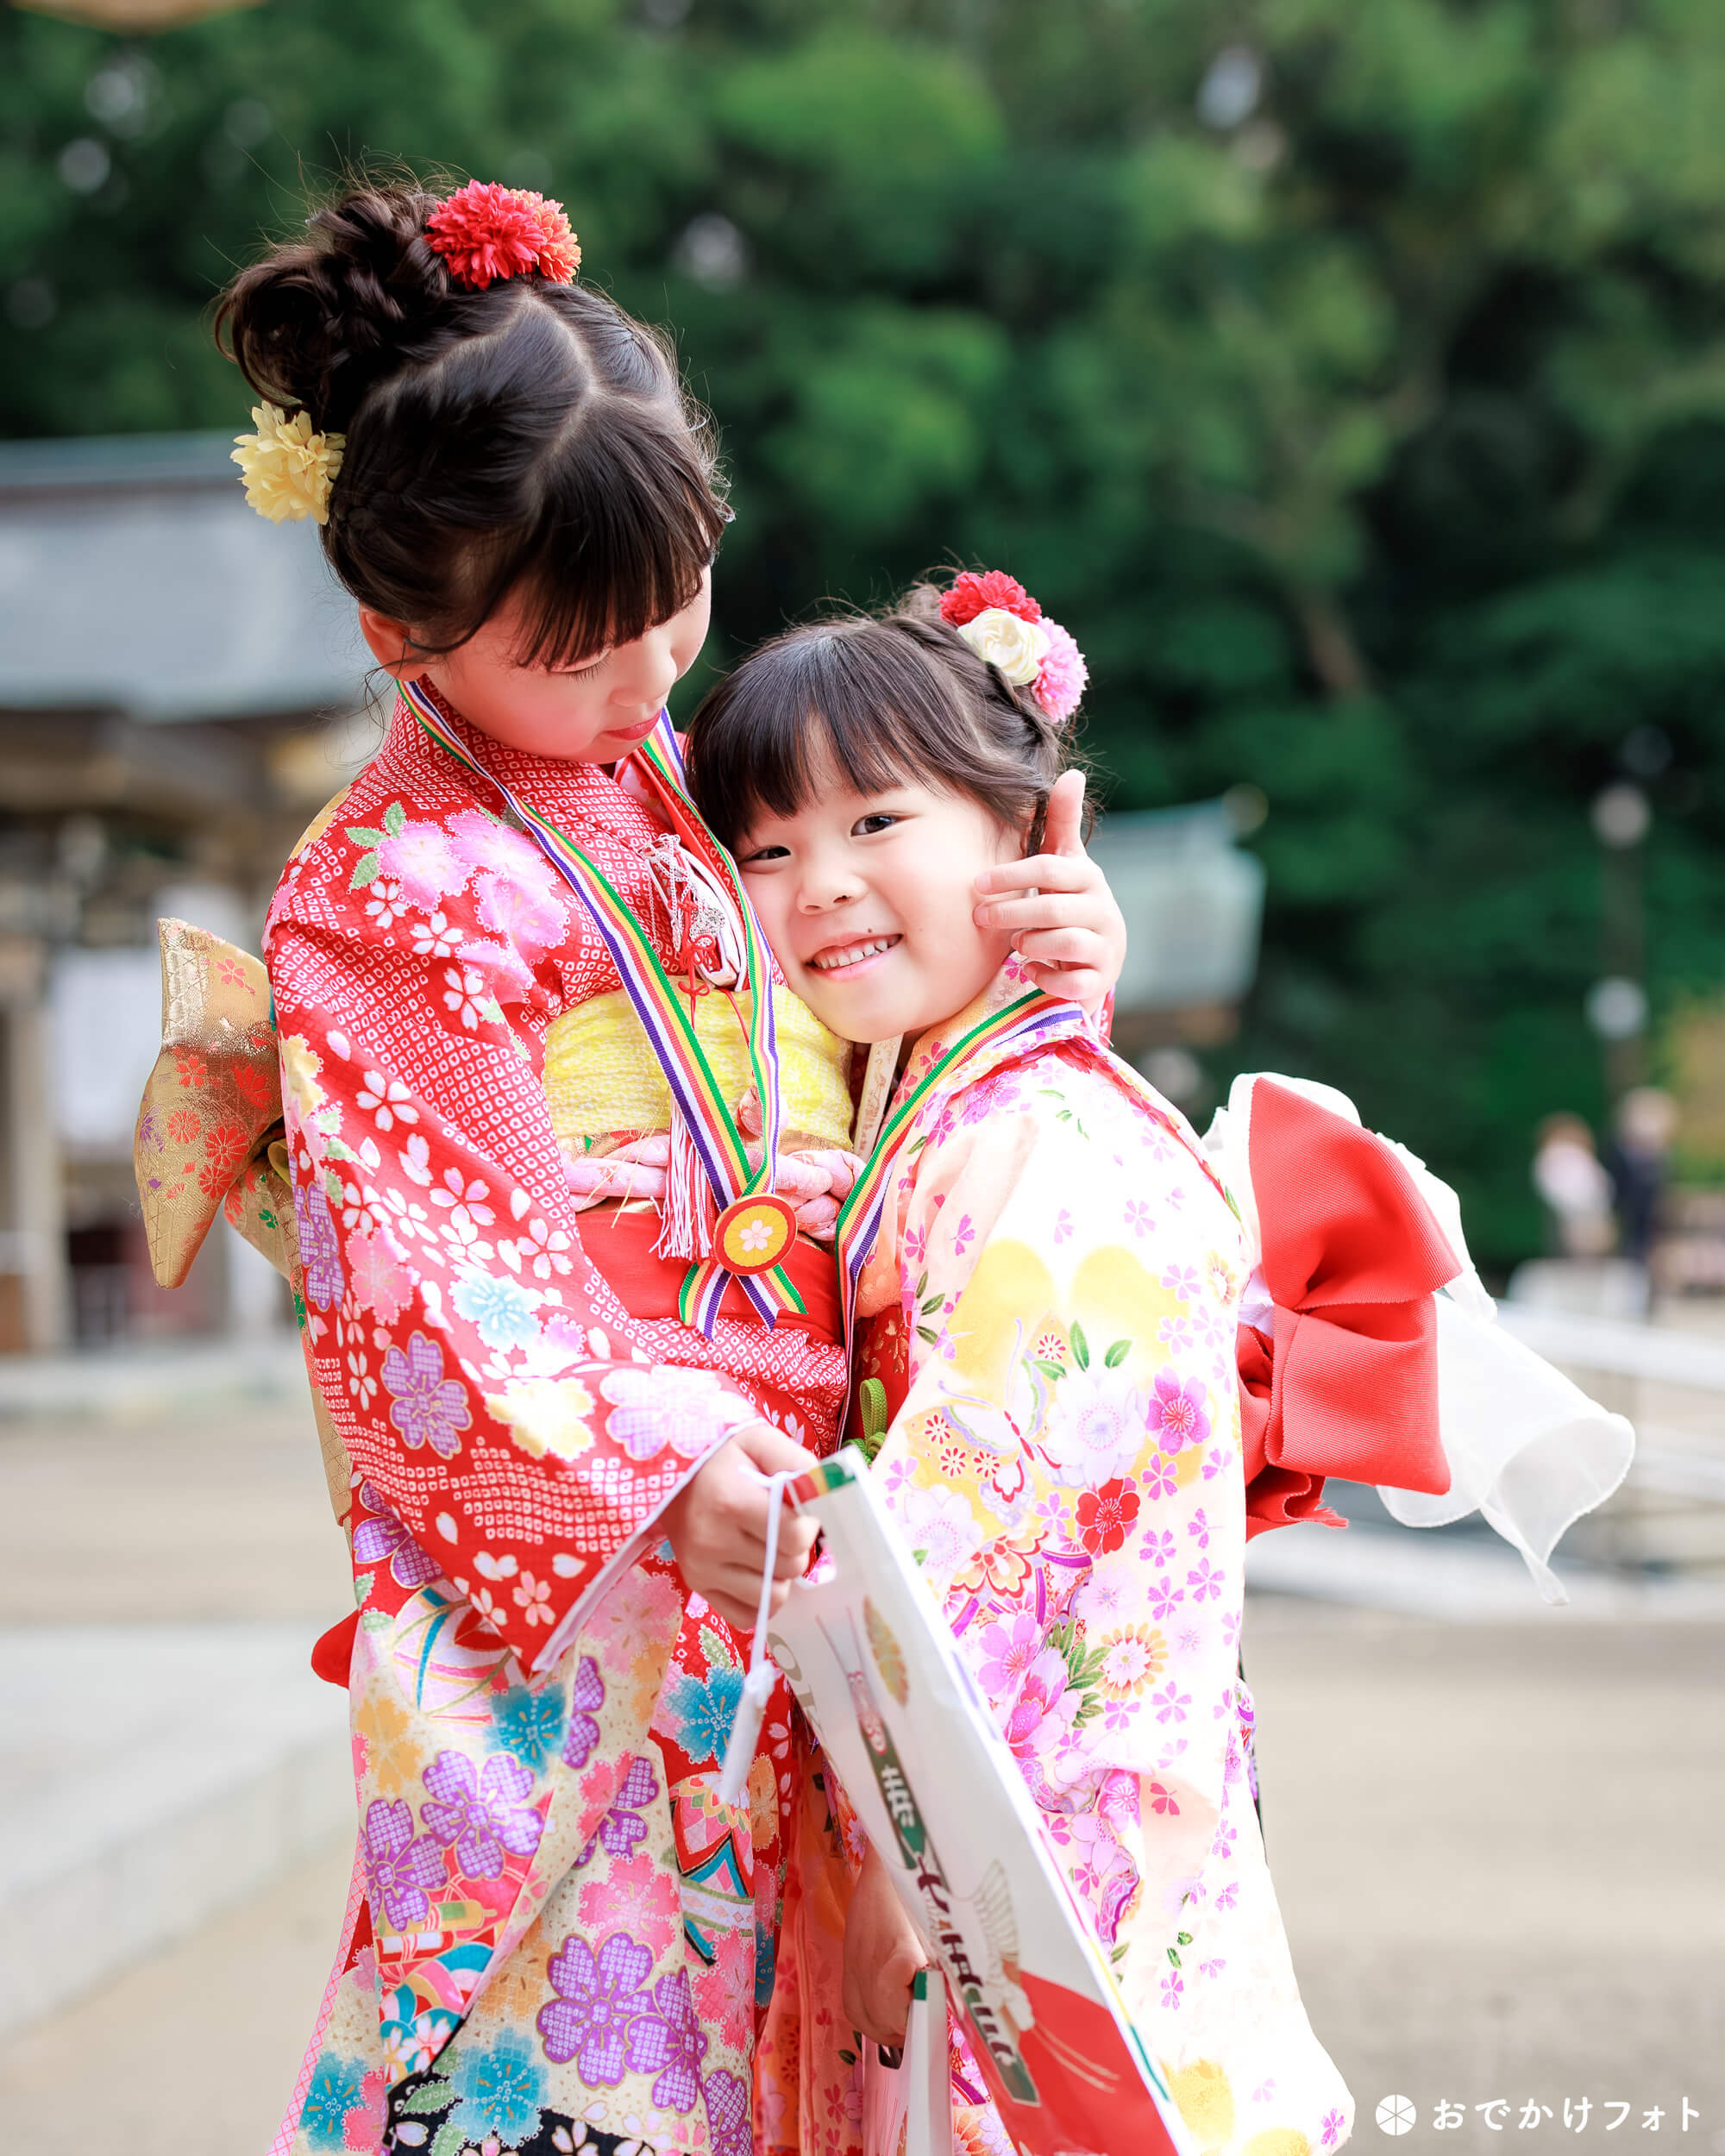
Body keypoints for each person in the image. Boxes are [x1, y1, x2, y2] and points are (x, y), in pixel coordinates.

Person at [215, 183, 1126, 2155]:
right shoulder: (386, 894)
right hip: (594, 1572)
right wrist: (644, 1468)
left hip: (798, 1542)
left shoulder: (677, 795)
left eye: (672, 612)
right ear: (400, 630)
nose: (644, 688)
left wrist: (1048, 970)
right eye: (574, 652)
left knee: (814, 2052)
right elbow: (427, 1274)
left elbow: (883, 1032)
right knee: (591, 2051)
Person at [684, 574, 1358, 2156]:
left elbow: (980, 1539)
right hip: (1005, 1841)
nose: (818, 886)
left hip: (1037, 1867)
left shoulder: (1050, 1143)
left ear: (1032, 830)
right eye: (768, 849)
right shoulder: (940, 1109)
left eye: (874, 823)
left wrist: (933, 1879)